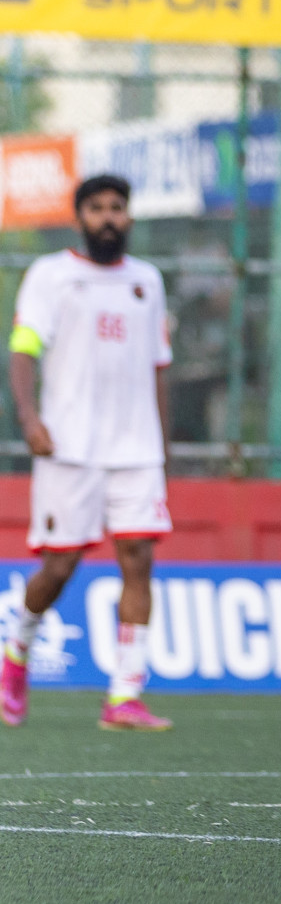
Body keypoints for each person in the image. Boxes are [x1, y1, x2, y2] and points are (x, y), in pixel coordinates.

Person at [2, 175, 175, 732]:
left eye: (117, 208)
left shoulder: (147, 281)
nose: (108, 217)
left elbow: (158, 367)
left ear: (129, 216)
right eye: (97, 208)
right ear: (80, 217)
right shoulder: (51, 275)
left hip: (137, 450)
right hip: (69, 446)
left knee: (138, 559)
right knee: (60, 565)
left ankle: (124, 695)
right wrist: (30, 419)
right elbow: (24, 350)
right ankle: (15, 653)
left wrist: (162, 448)